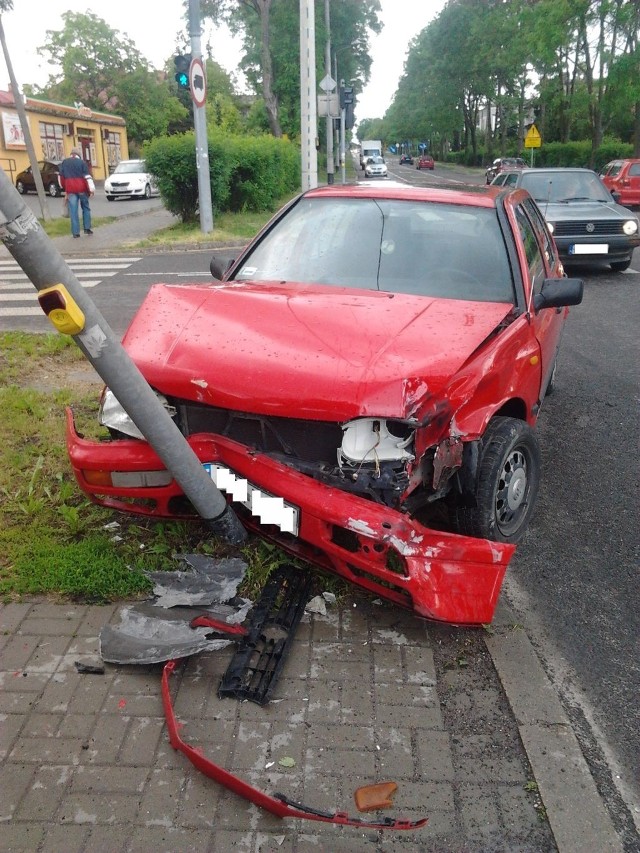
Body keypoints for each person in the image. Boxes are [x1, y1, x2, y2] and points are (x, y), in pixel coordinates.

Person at [59, 147, 94, 238]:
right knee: (85, 208)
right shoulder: (82, 163)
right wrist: (91, 190)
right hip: (82, 189)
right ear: (79, 155)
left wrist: (65, 188)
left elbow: (61, 178)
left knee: (73, 211)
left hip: (70, 190)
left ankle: (75, 233)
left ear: (71, 154)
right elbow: (87, 177)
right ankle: (87, 228)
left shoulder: (65, 163)